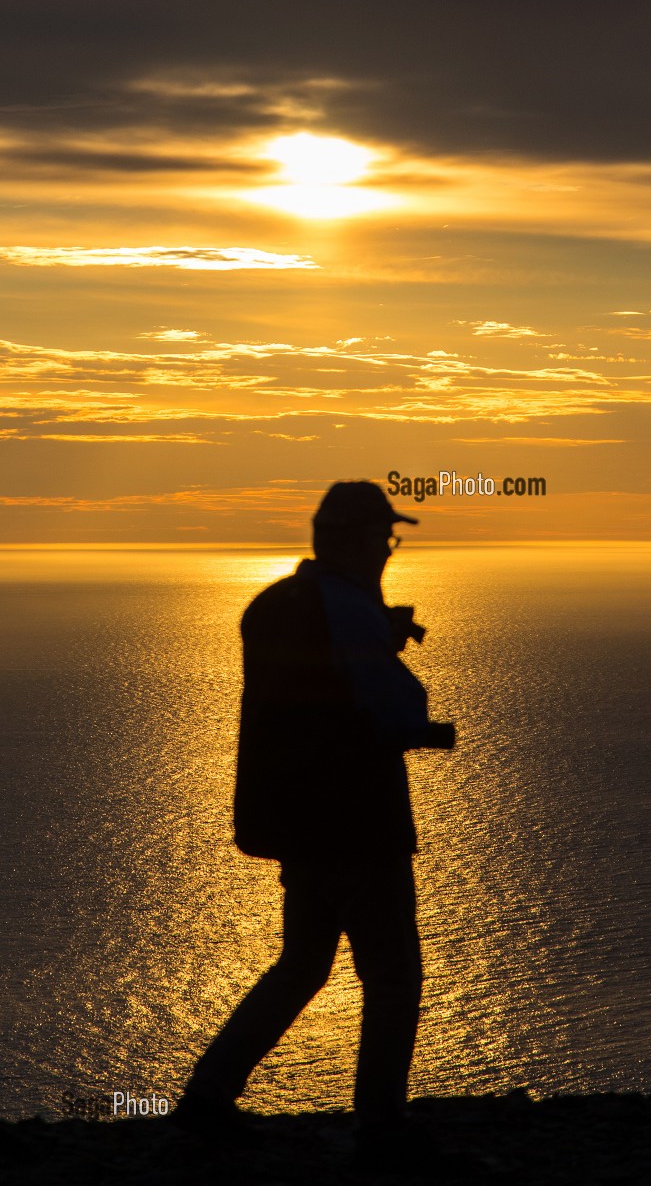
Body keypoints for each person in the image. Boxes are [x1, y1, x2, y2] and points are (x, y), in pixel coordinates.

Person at [175, 481, 455, 1155]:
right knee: (391, 973)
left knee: (301, 964)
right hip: (357, 818)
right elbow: (392, 709)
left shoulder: (272, 603)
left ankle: (206, 1098)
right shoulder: (348, 609)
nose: (389, 551)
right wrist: (400, 674)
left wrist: (376, 630)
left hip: (294, 818)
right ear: (360, 541)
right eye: (384, 539)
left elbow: (309, 685)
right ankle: (381, 1126)